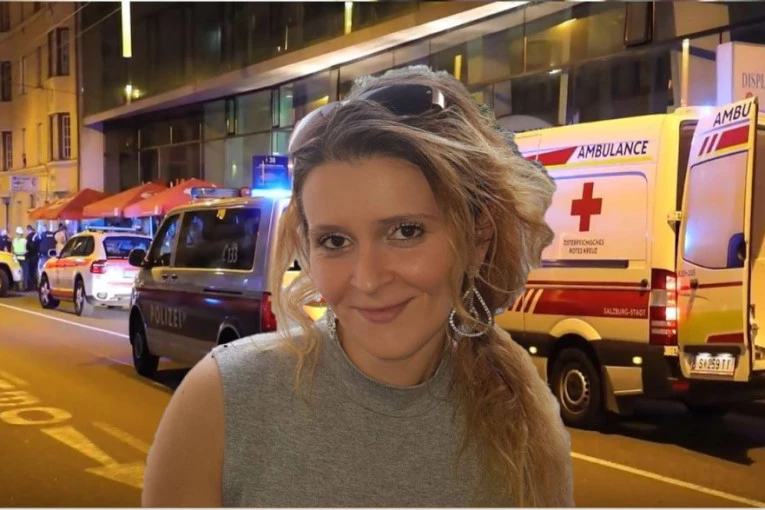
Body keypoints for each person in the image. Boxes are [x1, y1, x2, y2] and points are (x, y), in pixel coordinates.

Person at [142, 67, 573, 507]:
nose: (367, 279)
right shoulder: (222, 405)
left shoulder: (524, 421)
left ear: (477, 239)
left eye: (406, 232)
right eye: (335, 241)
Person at [25, 225, 40, 291]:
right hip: (37, 255)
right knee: (35, 271)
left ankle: (30, 286)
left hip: (31, 256)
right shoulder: (37, 236)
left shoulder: (28, 237)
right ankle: (36, 286)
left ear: (28, 229)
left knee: (30, 272)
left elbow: (27, 247)